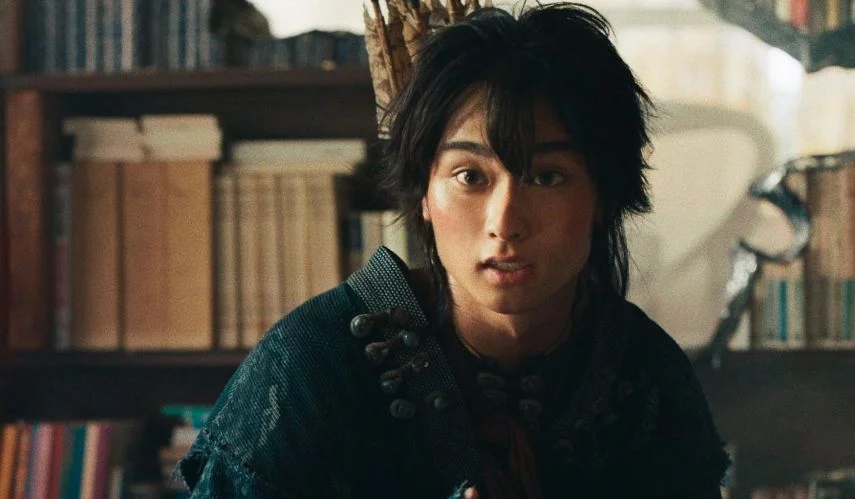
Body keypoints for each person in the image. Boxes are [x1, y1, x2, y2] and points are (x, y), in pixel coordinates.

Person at [177, 3, 731, 498]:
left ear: (604, 195)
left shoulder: (643, 374)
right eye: (470, 176)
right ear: (424, 192)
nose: (504, 223)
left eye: (546, 177)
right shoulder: (313, 366)